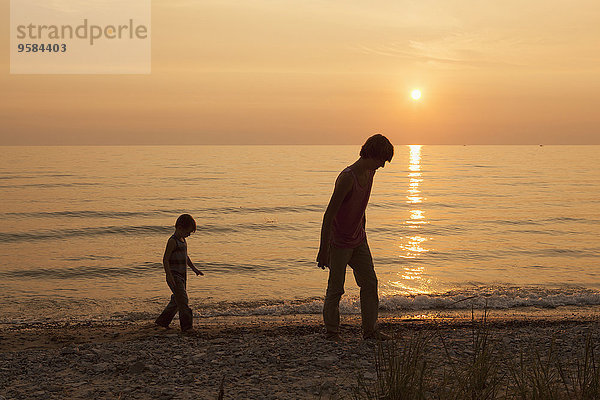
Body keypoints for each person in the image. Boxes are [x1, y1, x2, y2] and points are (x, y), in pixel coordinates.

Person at [317, 134, 394, 341]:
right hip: (339, 242)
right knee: (336, 288)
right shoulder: (347, 178)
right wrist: (323, 250)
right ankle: (332, 332)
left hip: (359, 240)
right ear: (372, 154)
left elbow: (361, 205)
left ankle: (370, 331)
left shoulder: (370, 173)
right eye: (381, 161)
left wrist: (363, 230)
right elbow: (328, 215)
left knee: (370, 282)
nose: (382, 166)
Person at [155, 214, 203, 332]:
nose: (189, 235)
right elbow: (165, 259)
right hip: (174, 276)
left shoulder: (183, 241)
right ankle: (187, 327)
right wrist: (168, 275)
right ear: (180, 228)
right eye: (188, 232)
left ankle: (162, 321)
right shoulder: (172, 241)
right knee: (183, 300)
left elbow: (185, 257)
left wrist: (194, 269)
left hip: (182, 276)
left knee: (177, 301)